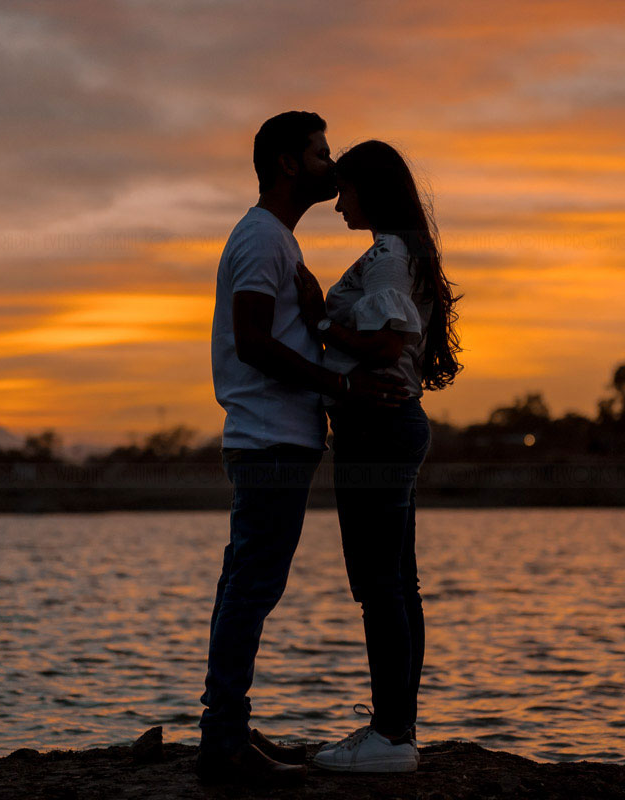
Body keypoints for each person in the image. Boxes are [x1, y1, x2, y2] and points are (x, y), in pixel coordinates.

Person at [198, 113, 409, 786]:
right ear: (289, 165)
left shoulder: (275, 240)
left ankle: (229, 728)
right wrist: (339, 382)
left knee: (250, 581)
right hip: (268, 437)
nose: (332, 165)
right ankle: (224, 740)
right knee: (252, 584)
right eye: (321, 154)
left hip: (276, 436)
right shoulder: (262, 239)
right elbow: (255, 340)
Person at [294, 139, 462, 772]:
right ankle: (397, 730)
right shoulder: (404, 252)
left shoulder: (388, 256)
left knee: (378, 587)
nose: (338, 205)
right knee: (398, 585)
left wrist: (319, 322)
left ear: (370, 191)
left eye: (346, 191)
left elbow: (388, 345)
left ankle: (390, 737)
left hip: (376, 430)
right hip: (393, 427)